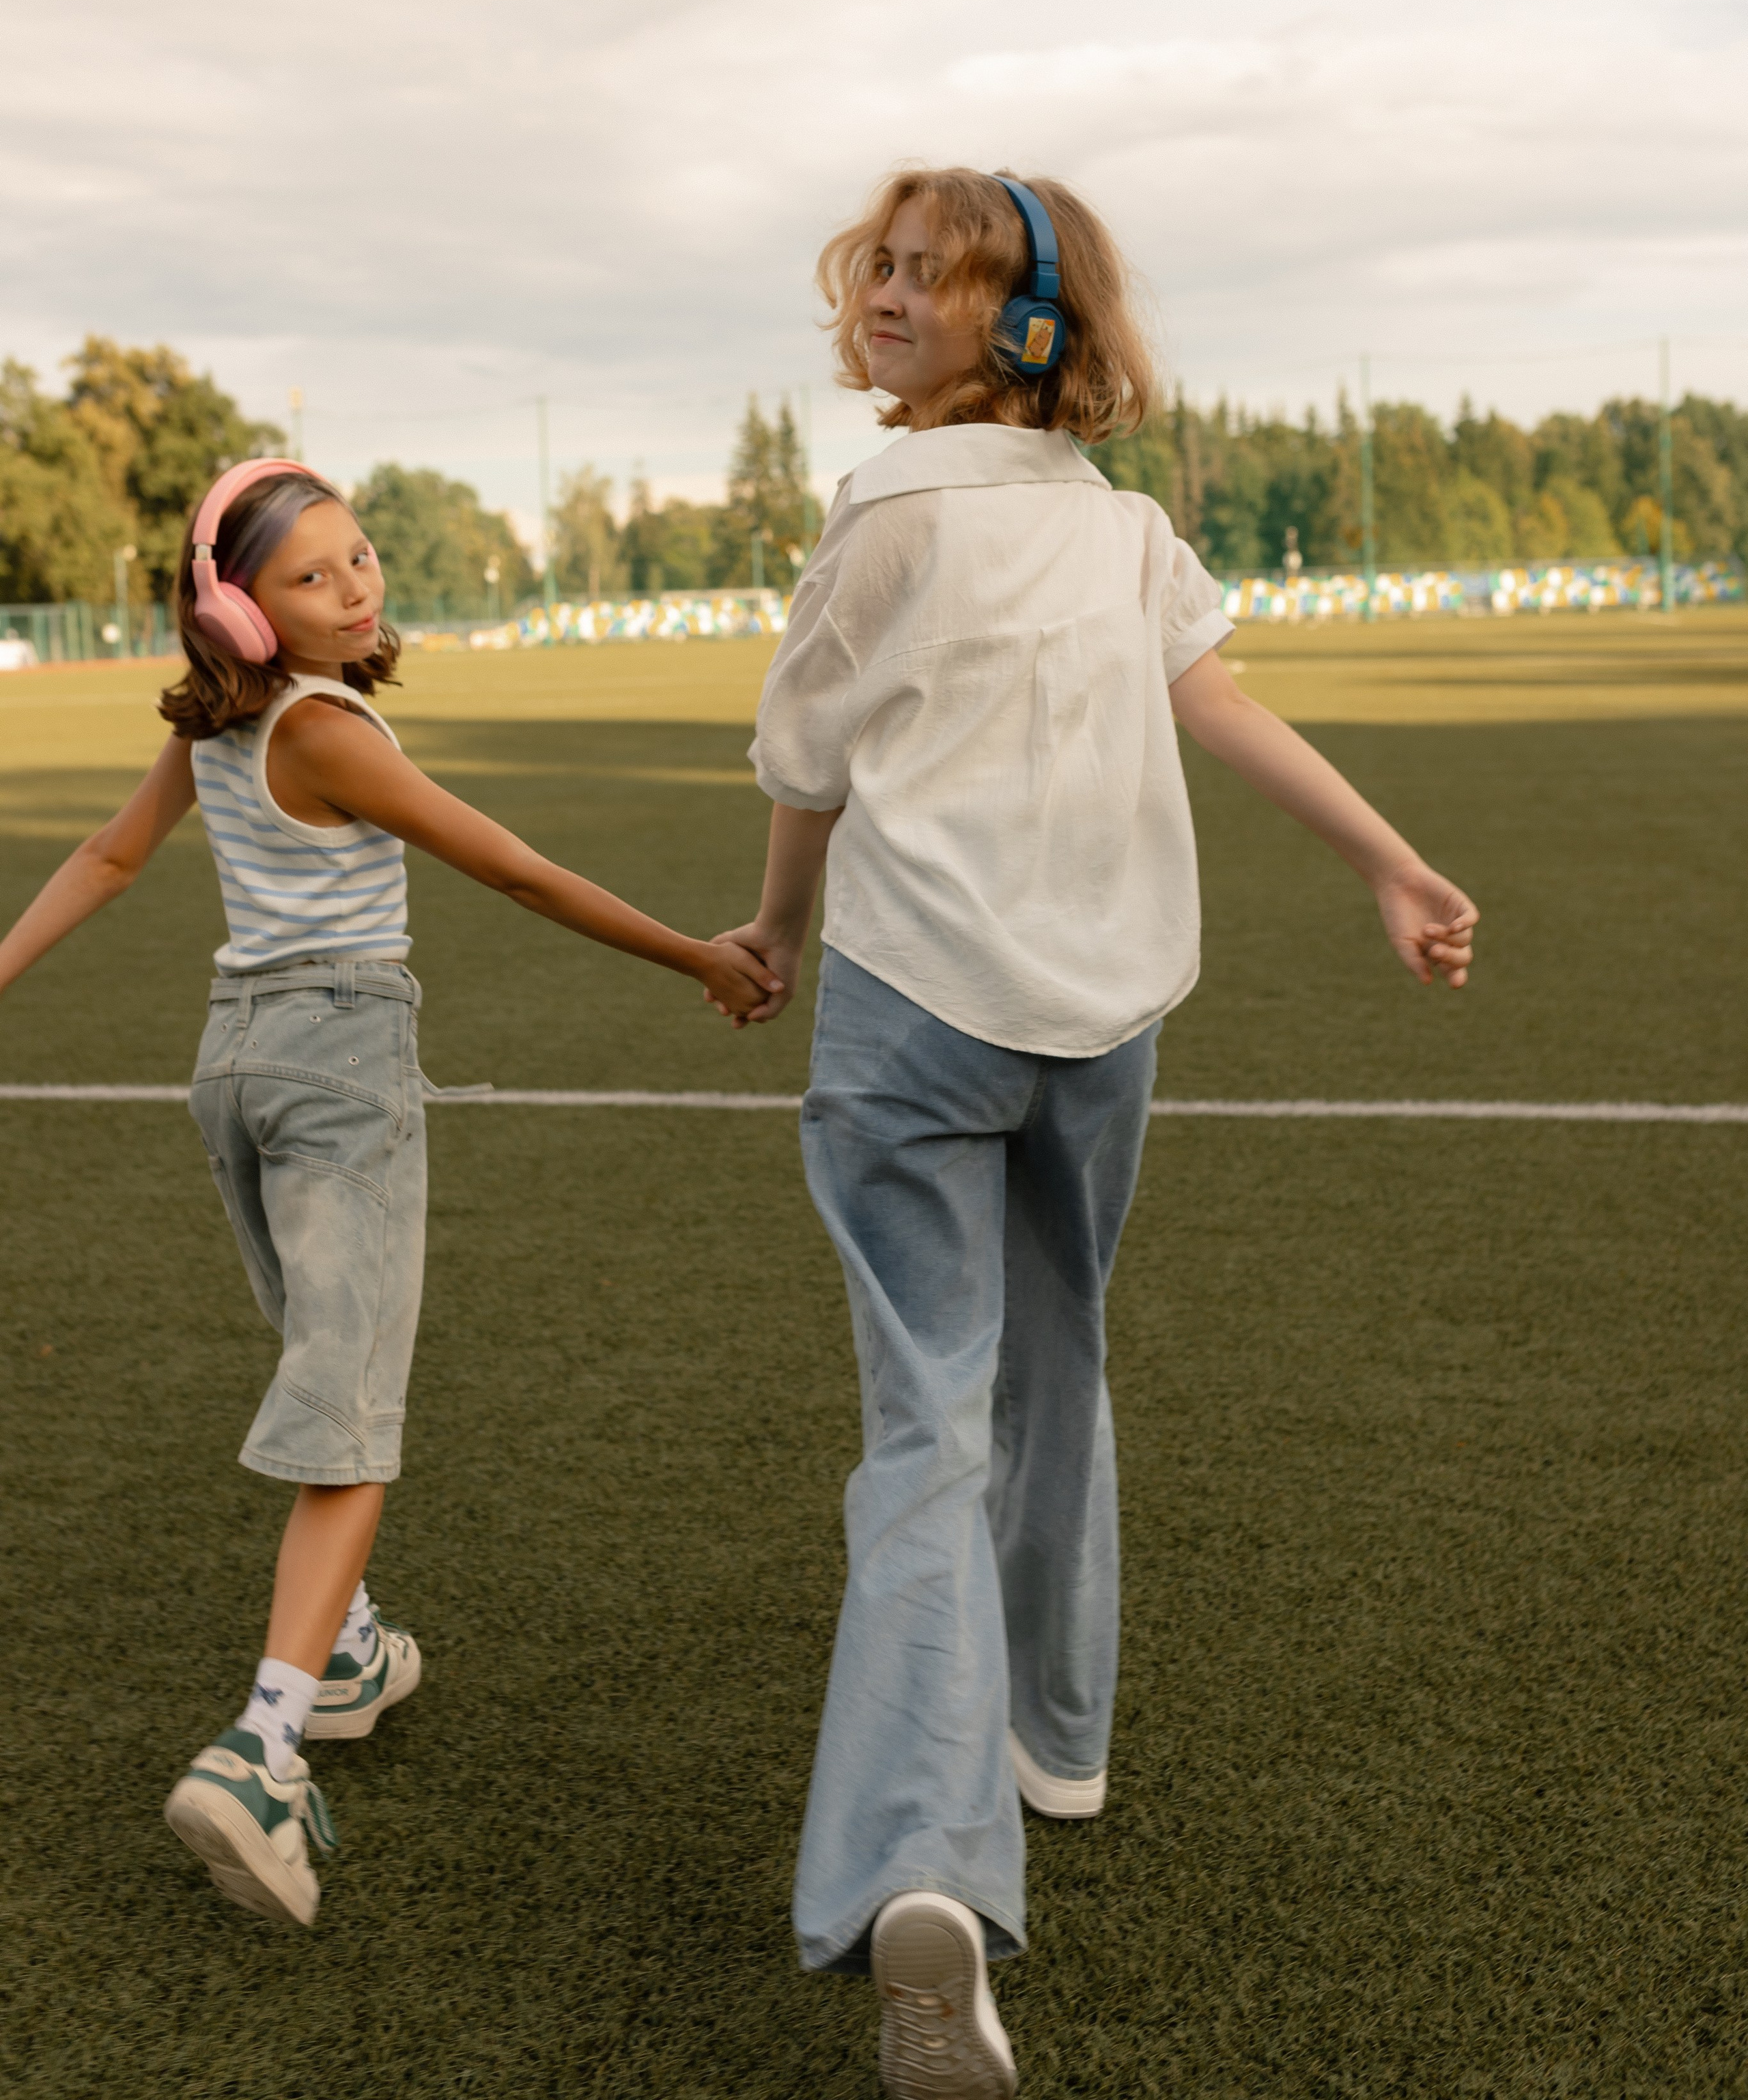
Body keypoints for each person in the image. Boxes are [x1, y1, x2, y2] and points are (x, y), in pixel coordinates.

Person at [723, 169, 1478, 2099]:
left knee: (925, 1420)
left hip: (915, 1013)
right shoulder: (1128, 530)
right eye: (879, 268)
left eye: (935, 277)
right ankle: (1057, 1743)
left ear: (1029, 328)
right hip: (1108, 1018)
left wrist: (781, 933)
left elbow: (806, 761)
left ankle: (925, 1861)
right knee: (1059, 1362)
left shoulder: (883, 513)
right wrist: (1390, 864)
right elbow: (1224, 708)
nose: (889, 297)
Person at [0, 459, 778, 1928]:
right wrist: (693, 953)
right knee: (350, 1420)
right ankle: (263, 1746)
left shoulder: (215, 727)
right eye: (312, 577)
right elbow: (514, 870)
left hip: (231, 1068)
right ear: (239, 612)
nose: (355, 586)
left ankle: (346, 1652)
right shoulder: (329, 730)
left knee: (316, 1357)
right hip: (338, 1067)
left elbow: (111, 860)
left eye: (358, 558)